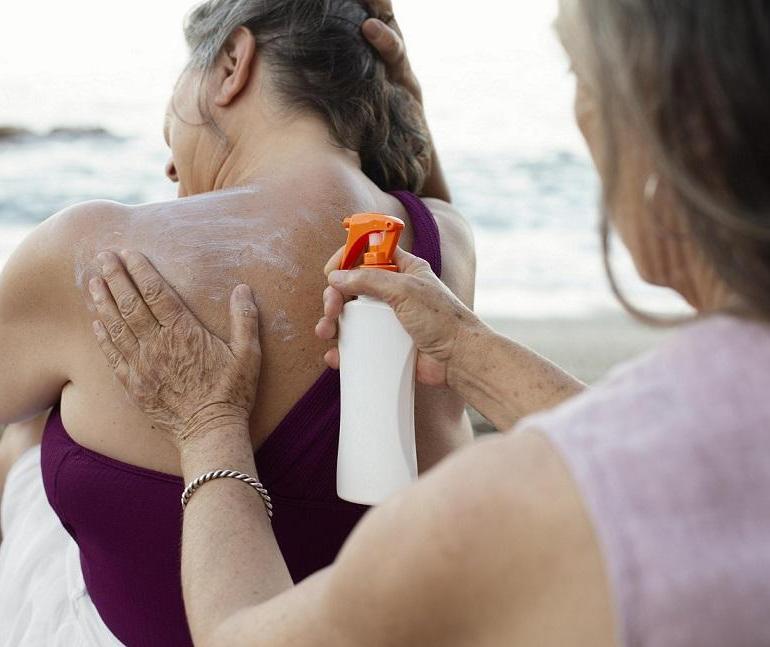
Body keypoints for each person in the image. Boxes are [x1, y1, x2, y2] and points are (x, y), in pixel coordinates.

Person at [86, 0, 770, 645]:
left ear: (683, 127)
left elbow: (244, 637)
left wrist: (207, 429)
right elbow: (639, 447)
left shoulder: (529, 501)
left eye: (581, 75)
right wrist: (467, 344)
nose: (585, 117)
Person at [0, 1, 476, 645]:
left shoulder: (91, 253)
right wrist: (402, 110)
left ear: (232, 63)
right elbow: (428, 203)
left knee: (24, 439)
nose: (170, 168)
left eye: (172, 108)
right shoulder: (441, 252)